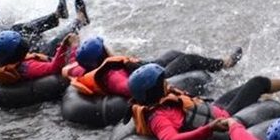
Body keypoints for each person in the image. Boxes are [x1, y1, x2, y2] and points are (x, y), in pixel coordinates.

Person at [126, 63, 280, 140]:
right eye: (162, 81)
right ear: (155, 88)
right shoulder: (159, 117)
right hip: (224, 116)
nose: (166, 82)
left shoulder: (158, 99)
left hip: (213, 108)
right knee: (257, 83)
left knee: (247, 89)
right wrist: (209, 128)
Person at [63, 36, 244, 96]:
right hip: (150, 78)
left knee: (173, 54)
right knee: (187, 60)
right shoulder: (112, 75)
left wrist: (71, 47)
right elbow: (131, 89)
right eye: (105, 47)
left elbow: (68, 68)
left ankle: (215, 65)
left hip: (141, 67)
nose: (109, 47)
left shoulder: (91, 66)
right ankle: (224, 64)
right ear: (102, 55)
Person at [0, 28, 79, 86]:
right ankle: (78, 23)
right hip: (46, 66)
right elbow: (55, 67)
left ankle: (77, 22)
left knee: (48, 43)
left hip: (32, 59)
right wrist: (68, 46)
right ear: (20, 50)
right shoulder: (29, 67)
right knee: (57, 42)